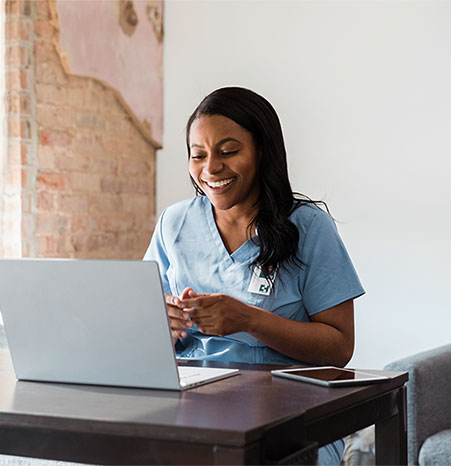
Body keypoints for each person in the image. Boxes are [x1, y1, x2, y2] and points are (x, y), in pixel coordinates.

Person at [143, 87, 365, 465]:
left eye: (228, 151)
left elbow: (340, 348)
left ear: (262, 151)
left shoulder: (309, 227)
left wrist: (249, 320)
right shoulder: (174, 223)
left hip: (291, 413)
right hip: (193, 406)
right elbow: (144, 328)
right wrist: (163, 322)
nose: (210, 169)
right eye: (198, 155)